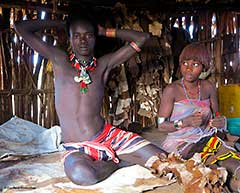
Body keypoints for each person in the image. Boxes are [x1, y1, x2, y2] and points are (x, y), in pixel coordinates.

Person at [13, 9, 170, 186]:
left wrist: (104, 31)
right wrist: (62, 24)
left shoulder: (103, 65)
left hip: (109, 137)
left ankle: (114, 155)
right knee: (83, 176)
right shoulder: (59, 60)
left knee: (164, 160)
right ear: (70, 37)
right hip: (76, 146)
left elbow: (142, 38)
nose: (83, 40)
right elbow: (20, 27)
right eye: (77, 35)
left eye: (89, 35)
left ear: (95, 38)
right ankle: (116, 162)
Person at [158, 42, 240, 192]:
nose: (188, 68)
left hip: (207, 137)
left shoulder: (208, 87)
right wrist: (184, 122)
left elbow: (217, 115)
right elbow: (161, 125)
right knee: (211, 168)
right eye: (185, 63)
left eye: (195, 64)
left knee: (232, 162)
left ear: (204, 67)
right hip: (181, 144)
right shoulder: (172, 90)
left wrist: (220, 121)